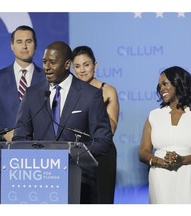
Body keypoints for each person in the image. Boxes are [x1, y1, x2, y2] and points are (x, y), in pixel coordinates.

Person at [13, 41, 114, 204]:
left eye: (52, 62)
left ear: (67, 64)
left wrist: (69, 153)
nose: (47, 67)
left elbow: (103, 141)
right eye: (45, 62)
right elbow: (20, 138)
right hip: (41, 182)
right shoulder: (32, 94)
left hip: (79, 182)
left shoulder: (90, 95)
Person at [0, 25, 45, 203]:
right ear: (12, 46)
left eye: (28, 41)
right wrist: (5, 133)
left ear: (35, 46)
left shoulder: (48, 78)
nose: (24, 46)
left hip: (41, 159)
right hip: (4, 156)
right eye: (19, 41)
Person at [139, 66, 191, 204]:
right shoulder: (154, 116)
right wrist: (159, 161)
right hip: (160, 177)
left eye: (165, 84)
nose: (161, 89)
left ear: (179, 83)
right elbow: (143, 152)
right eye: (159, 86)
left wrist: (182, 160)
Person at [71, 45, 119, 204]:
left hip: (102, 154)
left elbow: (110, 129)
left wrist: (95, 103)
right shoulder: (69, 92)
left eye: (86, 65)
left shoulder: (108, 90)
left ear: (95, 65)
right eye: (77, 66)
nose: (82, 70)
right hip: (77, 153)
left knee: (102, 201)